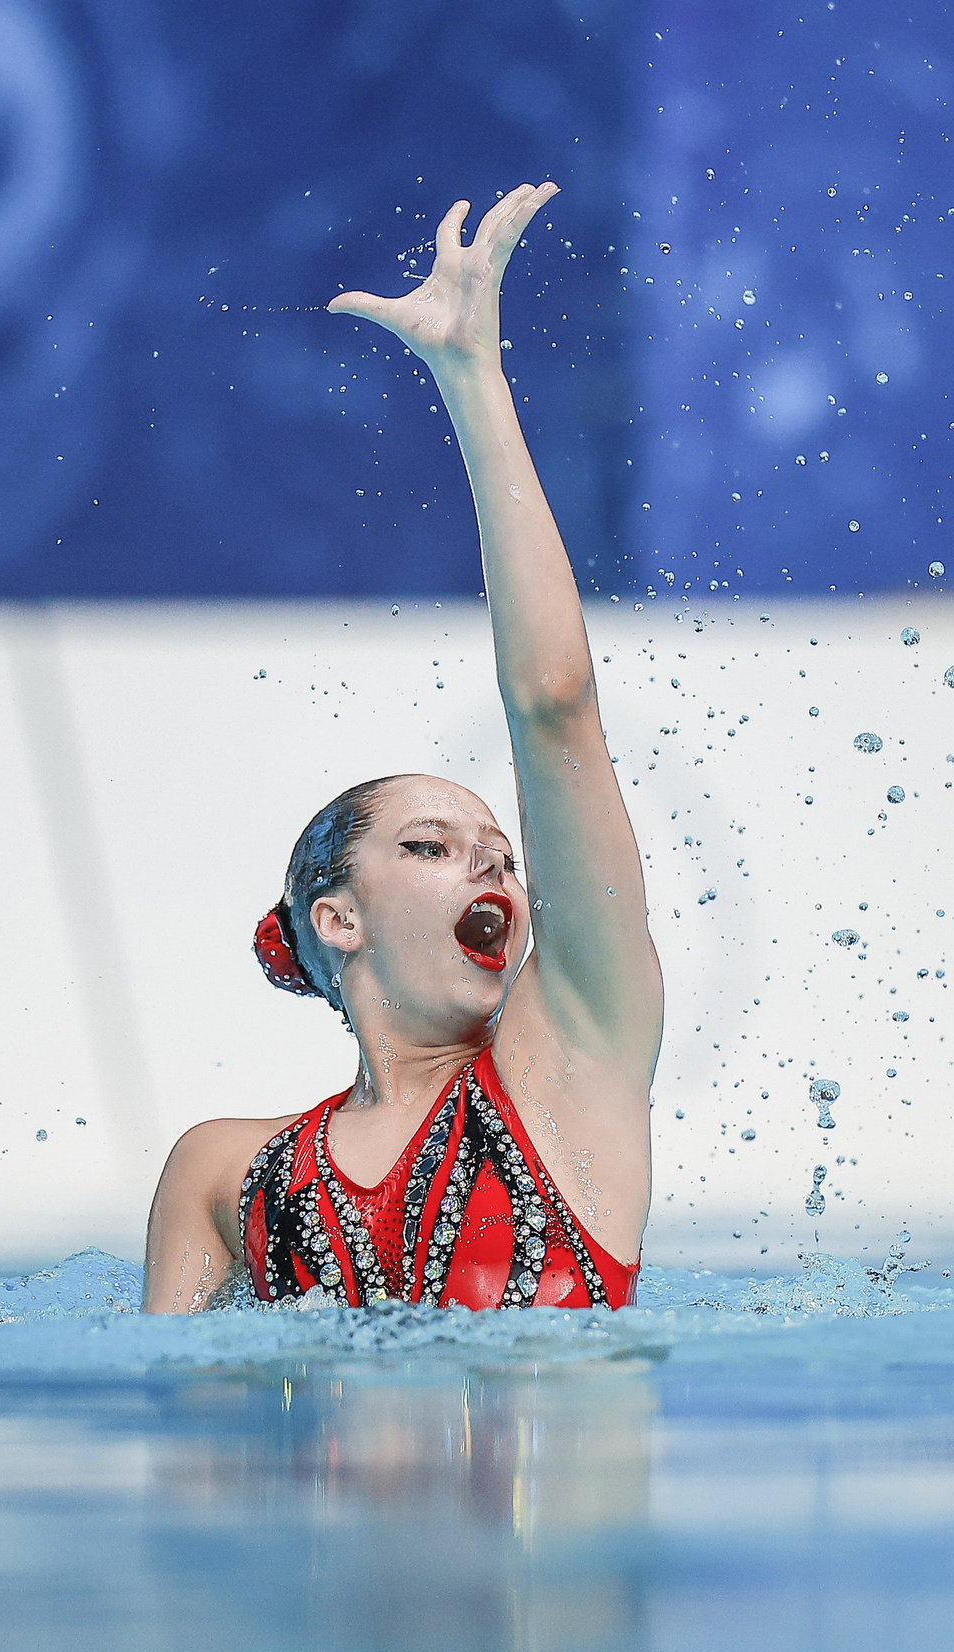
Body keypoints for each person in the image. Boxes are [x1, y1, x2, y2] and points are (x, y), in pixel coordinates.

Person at [141, 185, 661, 1313]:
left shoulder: (571, 1068)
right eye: (433, 846)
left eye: (500, 853)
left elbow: (556, 704)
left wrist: (475, 377)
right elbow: (182, 1449)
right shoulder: (226, 1177)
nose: (493, 862)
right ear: (338, 920)